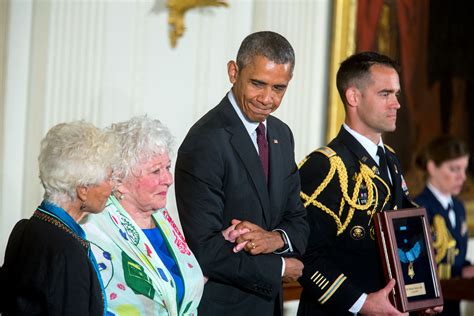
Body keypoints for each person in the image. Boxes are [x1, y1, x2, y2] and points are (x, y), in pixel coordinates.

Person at [175, 31, 309, 315]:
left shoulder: (281, 134)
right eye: (258, 84)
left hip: (270, 307)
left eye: (279, 88)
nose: (267, 99)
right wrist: (281, 266)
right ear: (233, 72)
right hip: (221, 307)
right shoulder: (205, 140)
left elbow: (298, 219)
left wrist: (277, 239)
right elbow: (205, 249)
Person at [298, 52, 442, 315]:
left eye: (396, 94)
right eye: (385, 94)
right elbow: (305, 256)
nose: (396, 104)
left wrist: (420, 295)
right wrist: (361, 303)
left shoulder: (391, 160)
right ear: (353, 97)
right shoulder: (326, 166)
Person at [82, 116, 204, 315]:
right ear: (119, 180)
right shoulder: (93, 229)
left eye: (167, 167)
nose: (168, 179)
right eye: (156, 171)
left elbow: (181, 286)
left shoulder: (162, 218)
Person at [1, 121, 116, 315]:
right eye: (108, 178)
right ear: (83, 190)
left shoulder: (24, 229)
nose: (111, 187)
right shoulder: (68, 254)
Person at [415, 136, 474, 316]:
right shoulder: (417, 208)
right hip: (428, 307)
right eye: (454, 169)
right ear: (432, 167)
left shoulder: (458, 207)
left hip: (454, 302)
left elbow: (456, 255)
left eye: (464, 169)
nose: (462, 177)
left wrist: (466, 268)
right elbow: (416, 264)